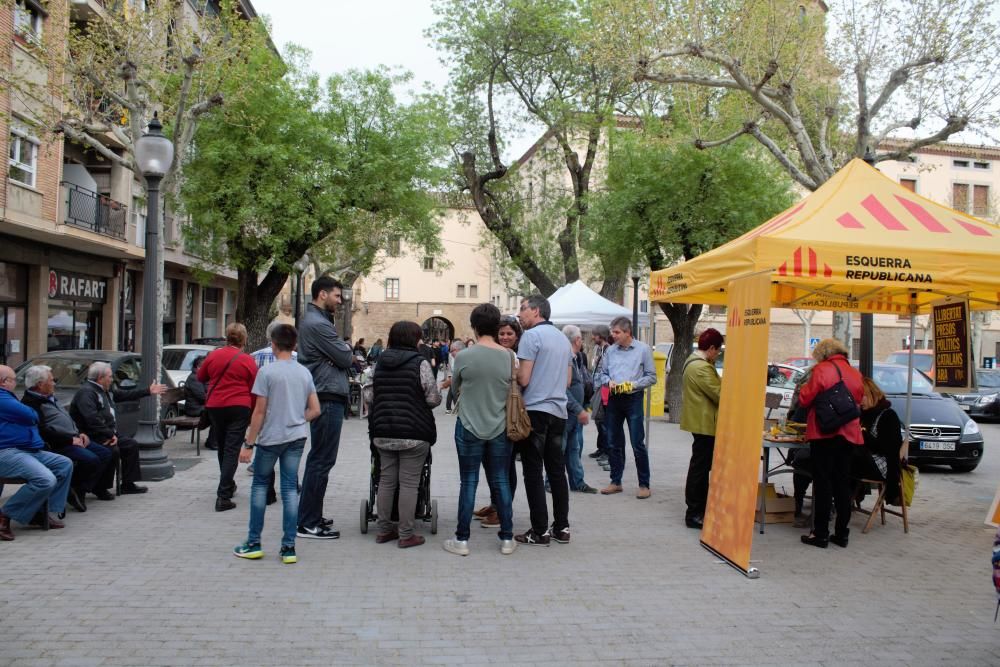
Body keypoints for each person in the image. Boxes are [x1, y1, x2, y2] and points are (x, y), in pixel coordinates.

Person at [233, 324, 320, 565]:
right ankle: (288, 547)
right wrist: (297, 418)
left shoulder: (267, 373)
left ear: (273, 344)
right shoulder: (304, 373)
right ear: (294, 346)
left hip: (271, 438)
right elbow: (315, 409)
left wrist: (248, 444)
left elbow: (259, 412)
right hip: (296, 437)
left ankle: (254, 542)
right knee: (290, 489)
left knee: (260, 486)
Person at [443, 303, 517, 556]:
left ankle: (462, 540)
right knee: (501, 481)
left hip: (468, 426)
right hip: (499, 427)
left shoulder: (464, 356)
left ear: (474, 327)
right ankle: (507, 538)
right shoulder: (508, 356)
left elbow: (454, 391)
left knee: (469, 482)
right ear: (497, 327)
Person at [368, 321, 441, 548]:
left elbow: (369, 396)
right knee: (409, 483)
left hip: (383, 430)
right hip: (414, 432)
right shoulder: (420, 363)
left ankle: (383, 530)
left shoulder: (378, 363)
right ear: (413, 339)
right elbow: (432, 398)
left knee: (386, 481)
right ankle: (406, 534)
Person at [296, 276, 353, 539]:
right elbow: (345, 356)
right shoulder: (318, 324)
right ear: (322, 294)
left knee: (320, 459)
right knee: (321, 460)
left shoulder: (319, 321)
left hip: (326, 392)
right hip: (327, 394)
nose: (340, 301)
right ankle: (308, 522)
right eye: (337, 296)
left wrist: (341, 354)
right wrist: (343, 353)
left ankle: (312, 515)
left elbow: (341, 356)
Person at [515, 294, 573, 546]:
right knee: (557, 471)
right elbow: (569, 380)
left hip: (536, 411)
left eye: (523, 309)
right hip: (559, 411)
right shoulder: (563, 338)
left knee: (533, 471)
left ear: (536, 311)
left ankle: (539, 530)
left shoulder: (531, 336)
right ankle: (562, 526)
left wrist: (513, 372)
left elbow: (524, 379)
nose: (519, 314)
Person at [796, 337, 864, 549]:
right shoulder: (854, 372)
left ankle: (821, 533)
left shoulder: (822, 370)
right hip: (849, 434)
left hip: (824, 433)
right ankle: (842, 534)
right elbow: (860, 398)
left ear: (822, 354)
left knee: (823, 483)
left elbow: (805, 399)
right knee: (842, 484)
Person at [22, 365, 111, 513]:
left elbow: (67, 419)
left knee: (105, 453)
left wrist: (80, 433)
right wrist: (70, 440)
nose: (54, 383)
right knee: (90, 460)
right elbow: (43, 431)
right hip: (58, 444)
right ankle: (75, 490)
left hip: (74, 437)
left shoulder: (49, 396)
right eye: (51, 380)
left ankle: (76, 488)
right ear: (40, 384)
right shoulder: (31, 403)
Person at [70, 361, 164, 497]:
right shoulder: (87, 392)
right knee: (112, 451)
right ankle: (100, 487)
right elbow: (91, 419)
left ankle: (128, 484)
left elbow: (123, 395)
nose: (112, 379)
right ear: (100, 378)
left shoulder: (105, 390)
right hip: (92, 435)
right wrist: (109, 434)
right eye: (109, 376)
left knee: (131, 445)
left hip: (107, 432)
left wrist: (147, 391)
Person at [0, 365, 72, 540]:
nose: (16, 383)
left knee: (64, 464)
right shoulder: (2, 397)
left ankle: (39, 512)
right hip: (8, 452)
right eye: (13, 380)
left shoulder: (8, 396)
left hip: (27, 450)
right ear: (4, 382)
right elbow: (31, 415)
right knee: (45, 479)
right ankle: (4, 516)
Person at [197, 323, 258, 512]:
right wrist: (253, 413)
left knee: (223, 447)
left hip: (216, 406)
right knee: (232, 449)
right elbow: (255, 388)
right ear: (244, 339)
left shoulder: (214, 355)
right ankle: (223, 495)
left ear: (227, 337)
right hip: (239, 407)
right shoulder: (247, 360)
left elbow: (200, 376)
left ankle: (228, 485)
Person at [595, 316, 658, 499]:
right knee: (613, 442)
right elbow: (603, 374)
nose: (613, 335)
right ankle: (616, 481)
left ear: (627, 332)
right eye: (612, 332)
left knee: (637, 442)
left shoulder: (643, 350)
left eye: (617, 332)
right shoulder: (610, 351)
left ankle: (644, 484)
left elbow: (651, 376)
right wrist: (609, 382)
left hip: (633, 399)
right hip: (614, 398)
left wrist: (633, 385)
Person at [472, 315, 521, 528]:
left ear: (517, 336)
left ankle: (504, 511)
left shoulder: (513, 356)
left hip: (508, 416)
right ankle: (496, 504)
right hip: (490, 415)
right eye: (501, 333)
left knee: (505, 466)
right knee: (492, 465)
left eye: (510, 333)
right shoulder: (496, 353)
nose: (505, 337)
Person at [679, 329, 724, 528]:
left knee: (699, 466)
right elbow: (719, 394)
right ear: (711, 348)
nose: (718, 354)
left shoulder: (694, 362)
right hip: (705, 423)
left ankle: (697, 509)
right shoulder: (701, 368)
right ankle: (695, 512)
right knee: (700, 468)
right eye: (718, 350)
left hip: (701, 421)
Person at [856, 376, 903, 506]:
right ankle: (840, 500)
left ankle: (841, 501)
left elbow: (887, 449)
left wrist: (863, 434)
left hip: (882, 465)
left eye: (862, 396)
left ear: (873, 394)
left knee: (841, 463)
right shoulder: (862, 414)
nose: (860, 401)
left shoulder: (888, 415)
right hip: (864, 460)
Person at [563, 325, 597, 494]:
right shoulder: (565, 358)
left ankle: (577, 481)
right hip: (567, 412)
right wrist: (579, 409)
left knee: (573, 448)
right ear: (577, 340)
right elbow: (563, 389)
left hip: (575, 412)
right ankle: (550, 482)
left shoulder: (576, 358)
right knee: (560, 449)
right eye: (581, 339)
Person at [587, 325, 611, 465]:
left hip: (604, 389)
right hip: (597, 387)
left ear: (601, 335)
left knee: (602, 420)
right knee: (598, 419)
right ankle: (601, 447)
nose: (592, 337)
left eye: (595, 335)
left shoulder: (608, 350)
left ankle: (606, 450)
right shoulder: (598, 349)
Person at [183, 356, 217, 451]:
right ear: (199, 367)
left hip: (200, 407)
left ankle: (213, 441)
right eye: (206, 366)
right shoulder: (194, 378)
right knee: (217, 414)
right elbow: (202, 397)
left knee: (220, 413)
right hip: (194, 409)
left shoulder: (201, 377)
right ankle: (212, 442)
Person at [440, 340, 465, 414]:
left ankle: (452, 408)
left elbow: (454, 377)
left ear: (459, 350)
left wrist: (442, 385)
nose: (450, 353)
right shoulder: (456, 358)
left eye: (452, 351)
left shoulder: (464, 359)